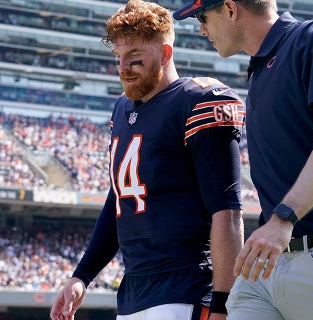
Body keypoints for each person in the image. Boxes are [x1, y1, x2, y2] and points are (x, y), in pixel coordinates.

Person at [174, 0, 313, 319]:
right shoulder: (259, 69)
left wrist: (283, 218)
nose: (202, 29)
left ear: (231, 10)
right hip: (267, 267)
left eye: (203, 17)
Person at [50, 1, 246, 319]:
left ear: (165, 54)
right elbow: (121, 199)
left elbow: (227, 211)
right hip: (133, 294)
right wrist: (82, 275)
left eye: (135, 58)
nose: (124, 68)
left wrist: (224, 304)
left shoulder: (198, 101)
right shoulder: (122, 109)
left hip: (187, 288)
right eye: (118, 58)